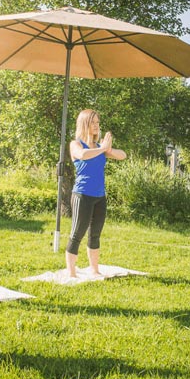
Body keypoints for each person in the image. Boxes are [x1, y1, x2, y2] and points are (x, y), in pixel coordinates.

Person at [66, 109, 126, 278]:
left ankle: (94, 269)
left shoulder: (100, 148)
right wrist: (103, 149)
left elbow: (123, 155)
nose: (96, 126)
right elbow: (83, 155)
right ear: (84, 124)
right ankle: (71, 273)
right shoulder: (75, 144)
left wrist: (108, 149)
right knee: (77, 233)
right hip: (82, 195)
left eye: (98, 123)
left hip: (100, 197)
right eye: (93, 122)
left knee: (95, 234)